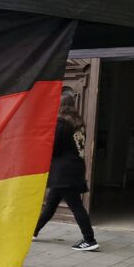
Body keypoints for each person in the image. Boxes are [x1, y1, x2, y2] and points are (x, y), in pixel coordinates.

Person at [33, 88, 99, 251]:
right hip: (72, 168)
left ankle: (89, 239)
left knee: (75, 205)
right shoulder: (76, 122)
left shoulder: (61, 123)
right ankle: (33, 232)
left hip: (64, 171)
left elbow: (54, 148)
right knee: (51, 204)